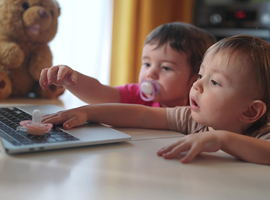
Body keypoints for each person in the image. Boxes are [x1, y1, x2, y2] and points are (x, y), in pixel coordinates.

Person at [42, 35, 270, 165]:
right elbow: (141, 114)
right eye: (201, 75)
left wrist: (222, 139)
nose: (196, 84)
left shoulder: (262, 132)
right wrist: (88, 113)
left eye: (215, 82)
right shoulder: (193, 118)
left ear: (251, 112)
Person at [40, 22, 216, 107]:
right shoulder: (138, 96)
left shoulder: (202, 111)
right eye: (146, 64)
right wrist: (71, 78)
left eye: (165, 68)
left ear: (194, 81)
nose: (150, 74)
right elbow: (101, 94)